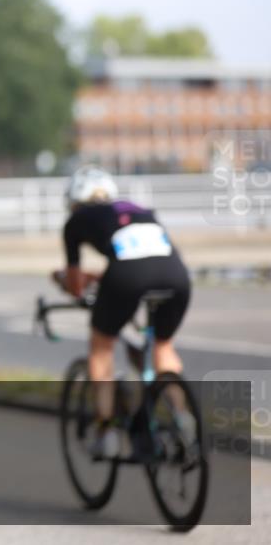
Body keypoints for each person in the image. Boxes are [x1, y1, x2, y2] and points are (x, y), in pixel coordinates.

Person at [55, 165, 192, 458]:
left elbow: (77, 286)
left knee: (102, 347)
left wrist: (63, 280)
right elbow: (138, 256)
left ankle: (107, 433)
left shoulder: (76, 220)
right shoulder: (139, 210)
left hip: (127, 276)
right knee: (162, 346)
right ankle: (185, 422)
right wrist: (102, 278)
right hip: (176, 274)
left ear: (74, 201)